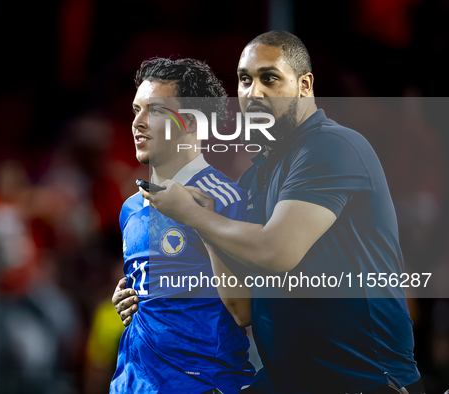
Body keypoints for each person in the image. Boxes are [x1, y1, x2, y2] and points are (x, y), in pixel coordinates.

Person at [116, 31, 424, 394]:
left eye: (270, 78)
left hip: (364, 380)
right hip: (289, 381)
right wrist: (147, 293)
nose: (254, 91)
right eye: (245, 80)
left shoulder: (331, 145)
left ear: (305, 85)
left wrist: (197, 217)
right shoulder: (254, 176)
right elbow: (240, 302)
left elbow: (278, 251)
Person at [109, 57, 255, 393]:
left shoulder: (229, 199)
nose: (138, 123)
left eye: (155, 111)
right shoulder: (130, 208)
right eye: (135, 110)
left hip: (202, 384)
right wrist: (132, 298)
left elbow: (243, 309)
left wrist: (200, 220)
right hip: (131, 385)